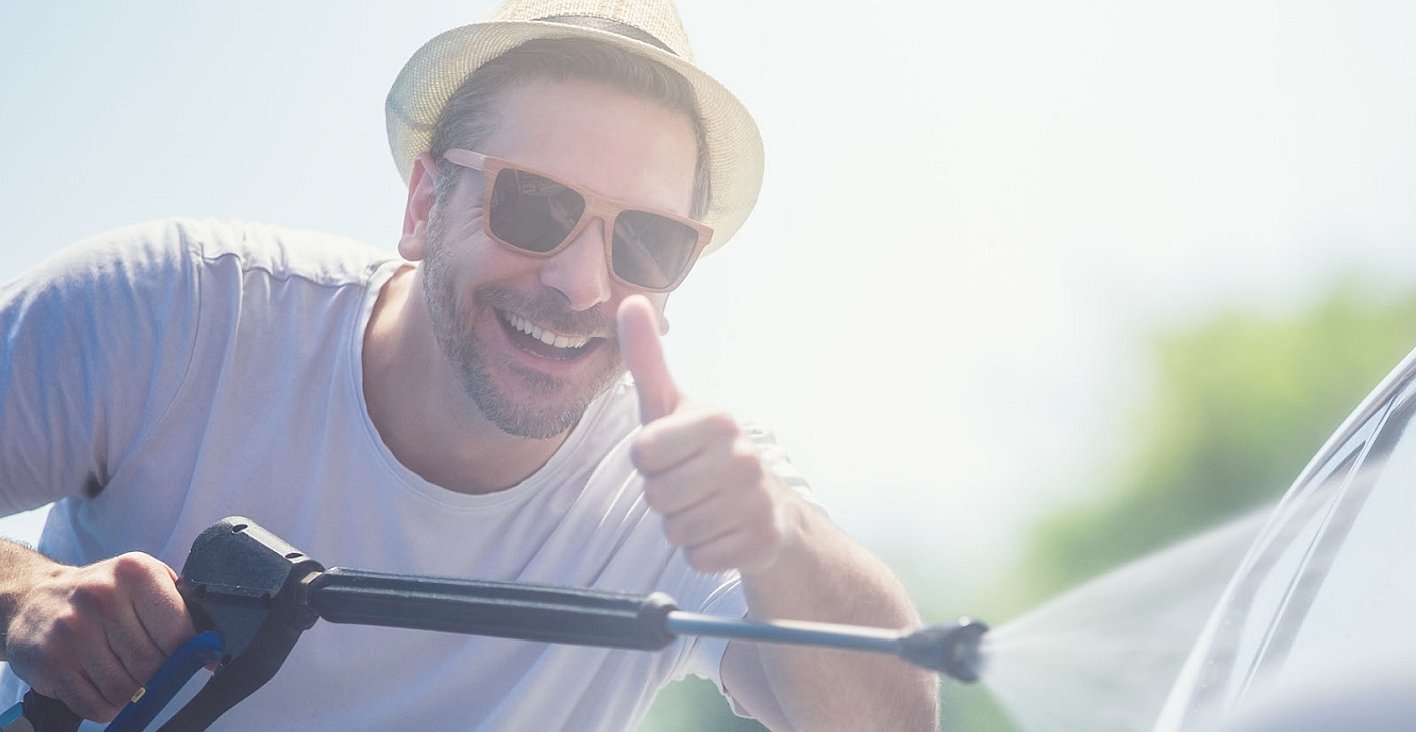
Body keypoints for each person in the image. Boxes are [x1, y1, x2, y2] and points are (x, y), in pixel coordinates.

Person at [0, 1, 936, 729]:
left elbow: (891, 721)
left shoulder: (688, 487)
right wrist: (24, 592)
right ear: (422, 204)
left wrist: (778, 540)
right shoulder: (178, 311)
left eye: (645, 243)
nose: (579, 283)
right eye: (534, 206)